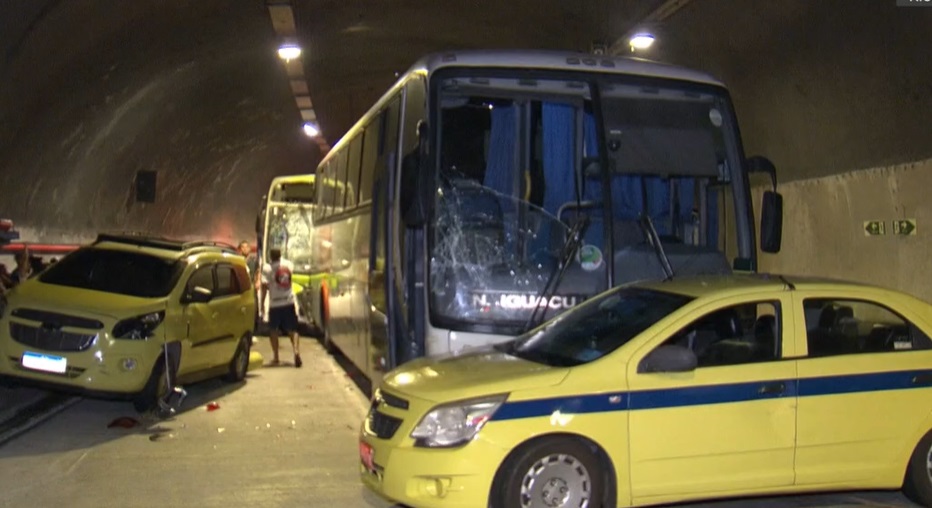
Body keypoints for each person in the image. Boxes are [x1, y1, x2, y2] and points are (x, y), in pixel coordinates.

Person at [260, 248, 301, 368]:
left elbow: (264, 287)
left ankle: (276, 356)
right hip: (289, 301)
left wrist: (262, 304)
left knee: (273, 330)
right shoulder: (289, 265)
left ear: (270, 256)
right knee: (293, 329)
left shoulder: (267, 269)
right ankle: (296, 351)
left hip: (275, 304)